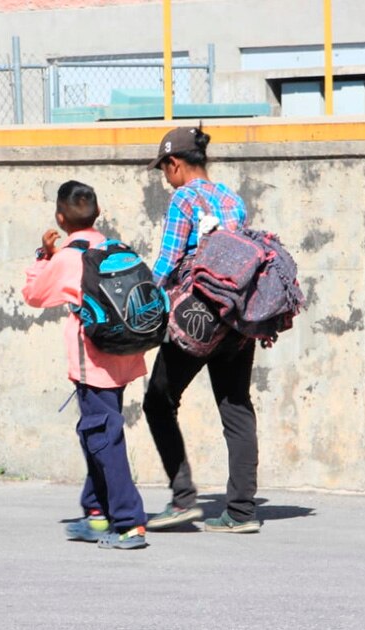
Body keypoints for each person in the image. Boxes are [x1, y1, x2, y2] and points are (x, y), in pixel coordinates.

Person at [142, 126, 262, 534]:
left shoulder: (183, 198)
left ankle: (183, 499)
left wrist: (141, 303)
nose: (165, 177)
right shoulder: (232, 198)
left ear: (175, 164)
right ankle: (242, 512)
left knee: (158, 400)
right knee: (236, 405)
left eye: (164, 169)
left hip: (198, 318)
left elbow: (168, 261)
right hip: (239, 317)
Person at [21, 180, 149, 550]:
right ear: (98, 214)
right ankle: (97, 514)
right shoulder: (115, 247)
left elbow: (34, 295)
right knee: (96, 431)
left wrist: (42, 255)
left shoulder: (67, 256)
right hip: (125, 355)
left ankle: (128, 522)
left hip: (92, 361)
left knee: (103, 435)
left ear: (60, 218)